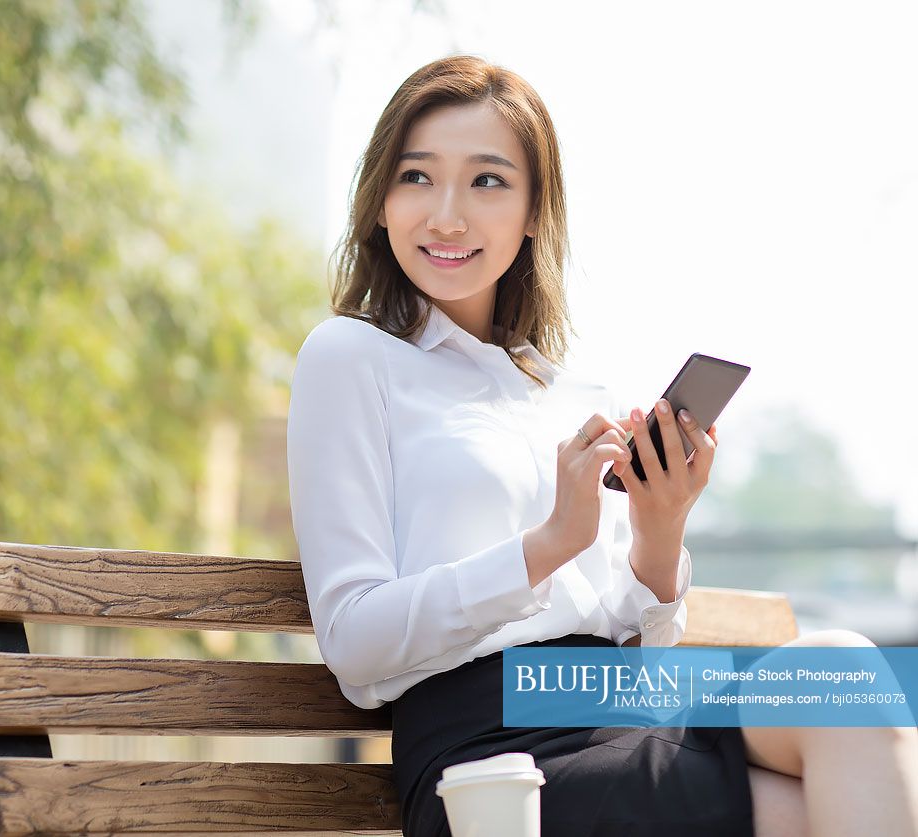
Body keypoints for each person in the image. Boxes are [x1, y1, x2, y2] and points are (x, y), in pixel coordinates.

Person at [285, 54, 918, 837]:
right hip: (491, 755)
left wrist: (660, 533)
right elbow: (353, 641)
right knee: (800, 814)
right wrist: (543, 547)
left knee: (847, 678)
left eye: (486, 181)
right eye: (417, 177)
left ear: (531, 213)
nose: (446, 214)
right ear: (379, 201)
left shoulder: (571, 394)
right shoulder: (351, 357)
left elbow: (644, 649)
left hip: (616, 703)